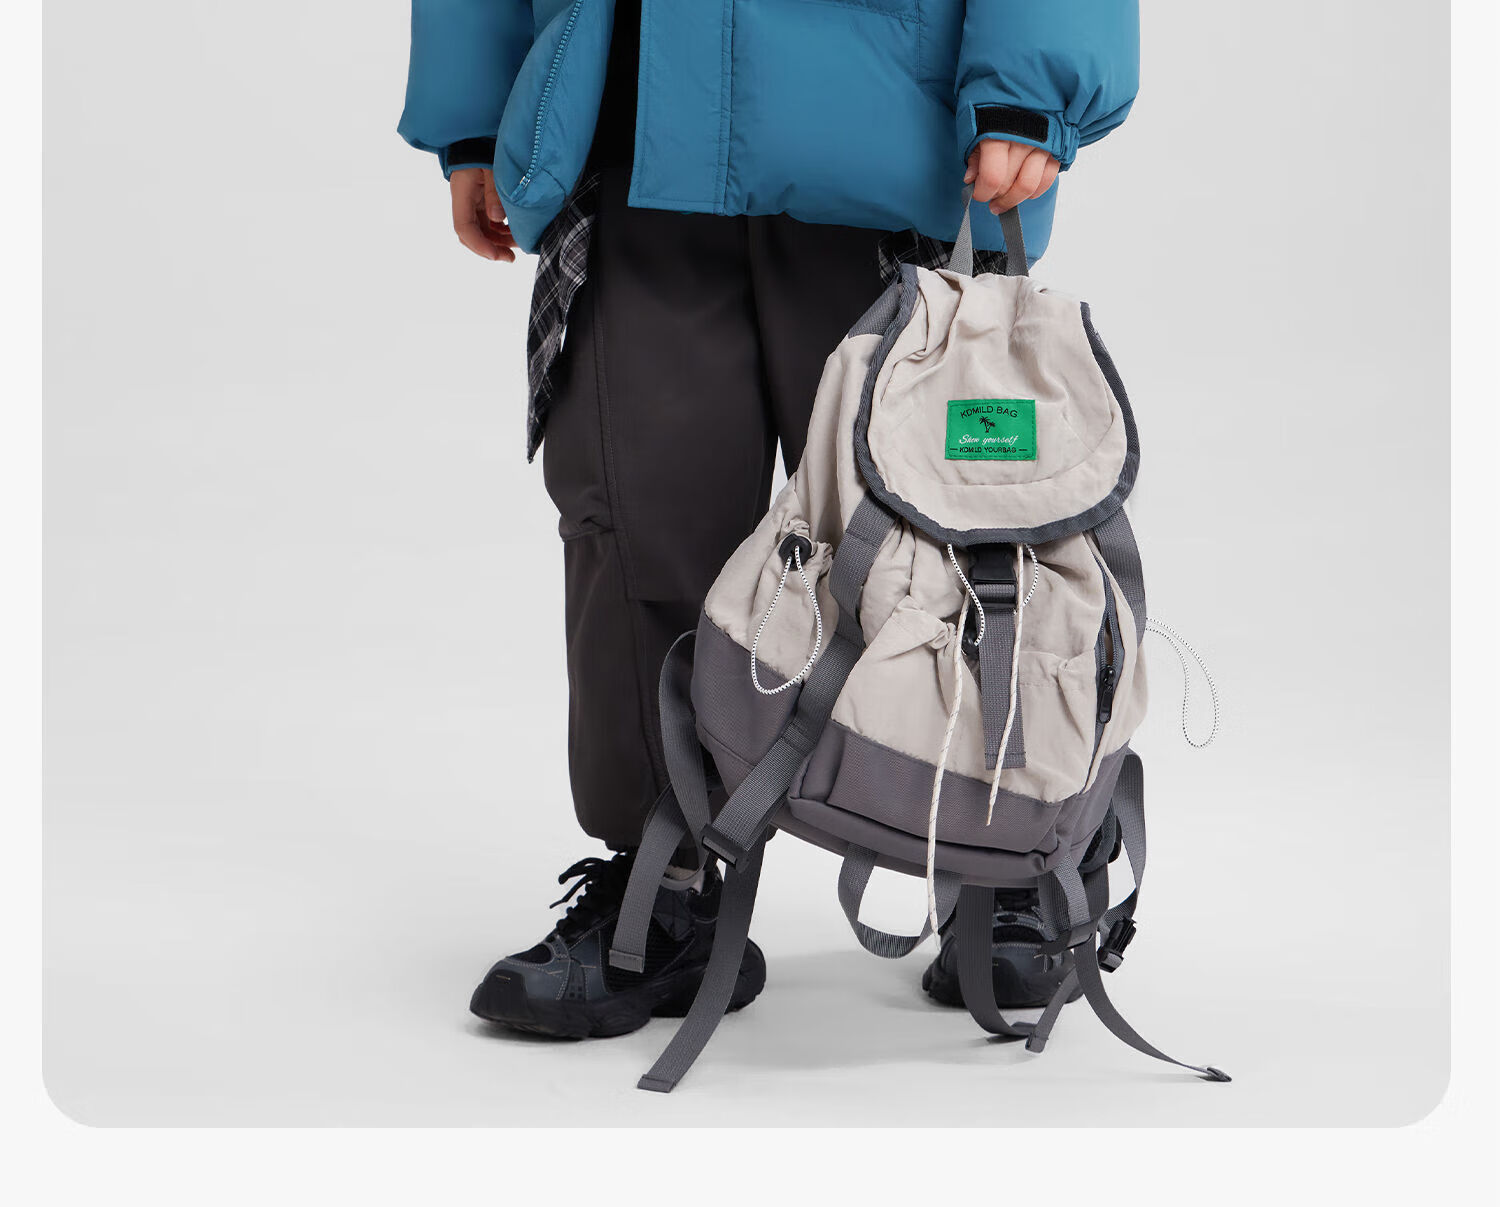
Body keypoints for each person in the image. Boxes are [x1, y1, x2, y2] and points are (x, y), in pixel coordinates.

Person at [400, 0, 1140, 1039]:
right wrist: (481, 106)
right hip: (629, 109)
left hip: (888, 115)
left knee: (957, 529)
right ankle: (663, 881)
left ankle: (1016, 858)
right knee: (641, 513)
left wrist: (1034, 78)